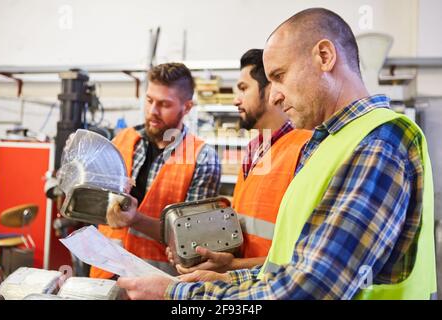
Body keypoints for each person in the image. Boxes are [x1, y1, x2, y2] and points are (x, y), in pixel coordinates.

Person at [116, 8, 436, 300]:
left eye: (279, 76)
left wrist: (177, 296)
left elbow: (311, 289)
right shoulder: (331, 143)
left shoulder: (377, 144)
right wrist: (221, 280)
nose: (276, 95)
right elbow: (290, 268)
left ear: (324, 56)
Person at [168, 49, 311, 275]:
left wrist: (231, 267)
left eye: (244, 89)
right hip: (242, 288)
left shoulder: (305, 149)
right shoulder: (255, 149)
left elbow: (304, 257)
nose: (236, 100)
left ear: (272, 90)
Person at [89, 62, 221, 278]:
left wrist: (136, 219)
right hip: (106, 275)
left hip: (158, 282)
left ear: (187, 107)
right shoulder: (122, 140)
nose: (152, 111)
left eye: (164, 104)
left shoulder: (202, 158)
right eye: (149, 101)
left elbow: (192, 239)